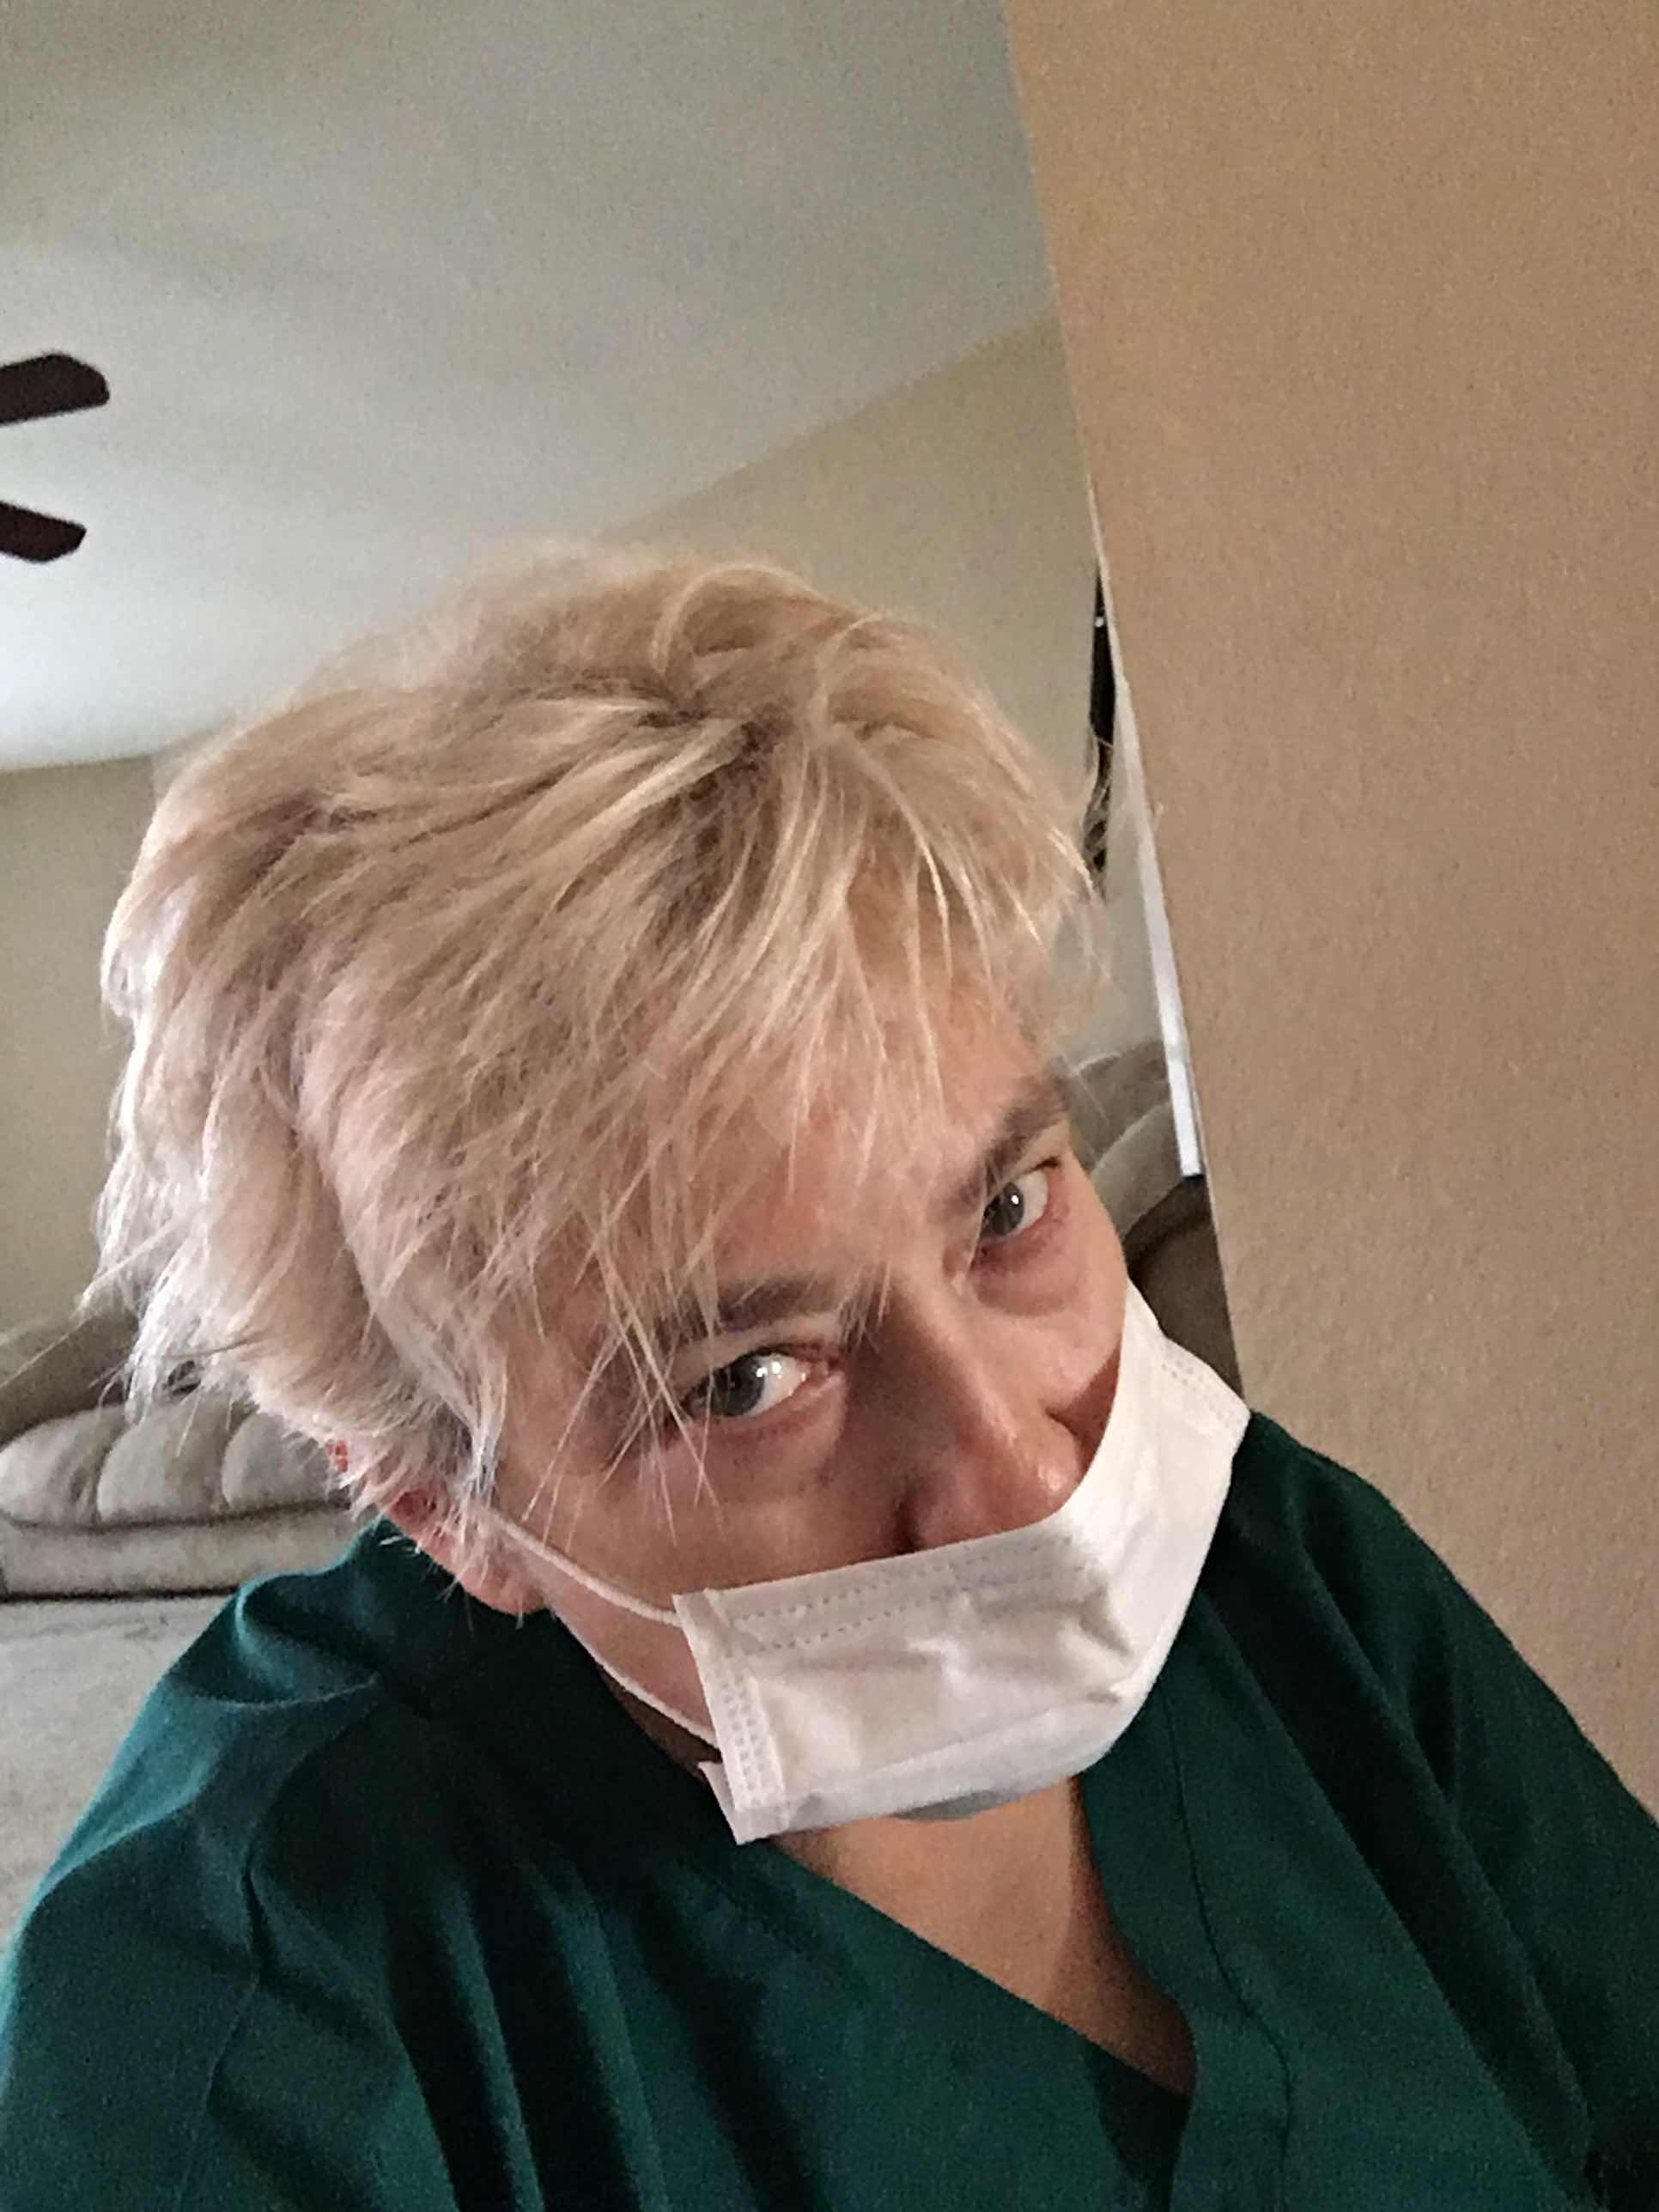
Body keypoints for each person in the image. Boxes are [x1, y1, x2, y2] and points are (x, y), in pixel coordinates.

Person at [1, 549, 1654, 2212]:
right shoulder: (250, 2002)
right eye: (746, 1379)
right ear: (449, 1510)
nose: (1025, 1472)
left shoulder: (1283, 1570)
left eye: (1004, 1213)